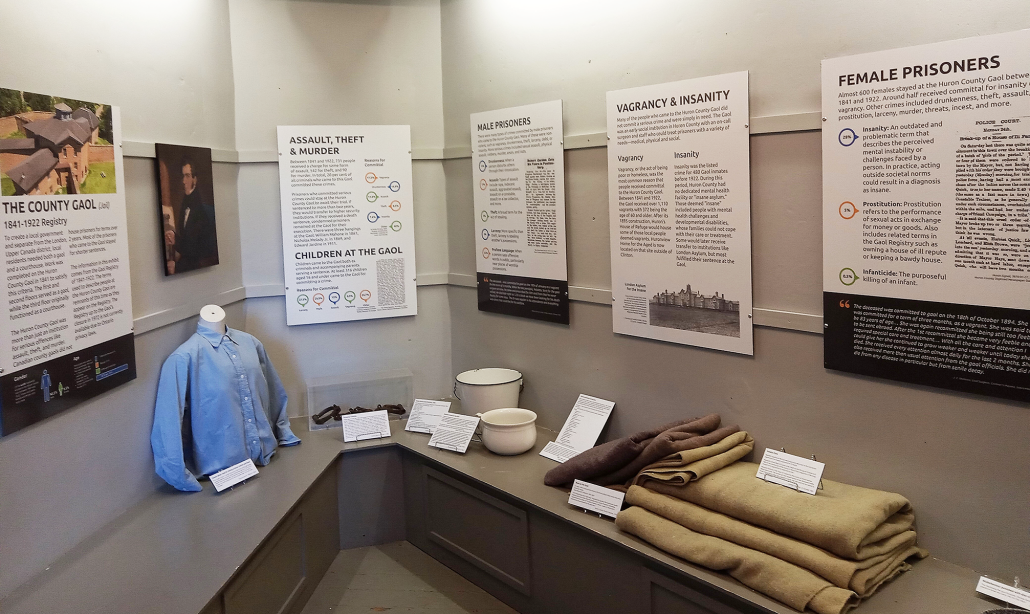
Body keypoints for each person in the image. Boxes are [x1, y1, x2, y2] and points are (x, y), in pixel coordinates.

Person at [165, 157, 218, 274]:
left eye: (188, 176)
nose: (184, 181)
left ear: (195, 179)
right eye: (183, 176)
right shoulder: (185, 206)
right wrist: (174, 237)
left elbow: (196, 254)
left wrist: (177, 267)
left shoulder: (201, 211)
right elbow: (188, 244)